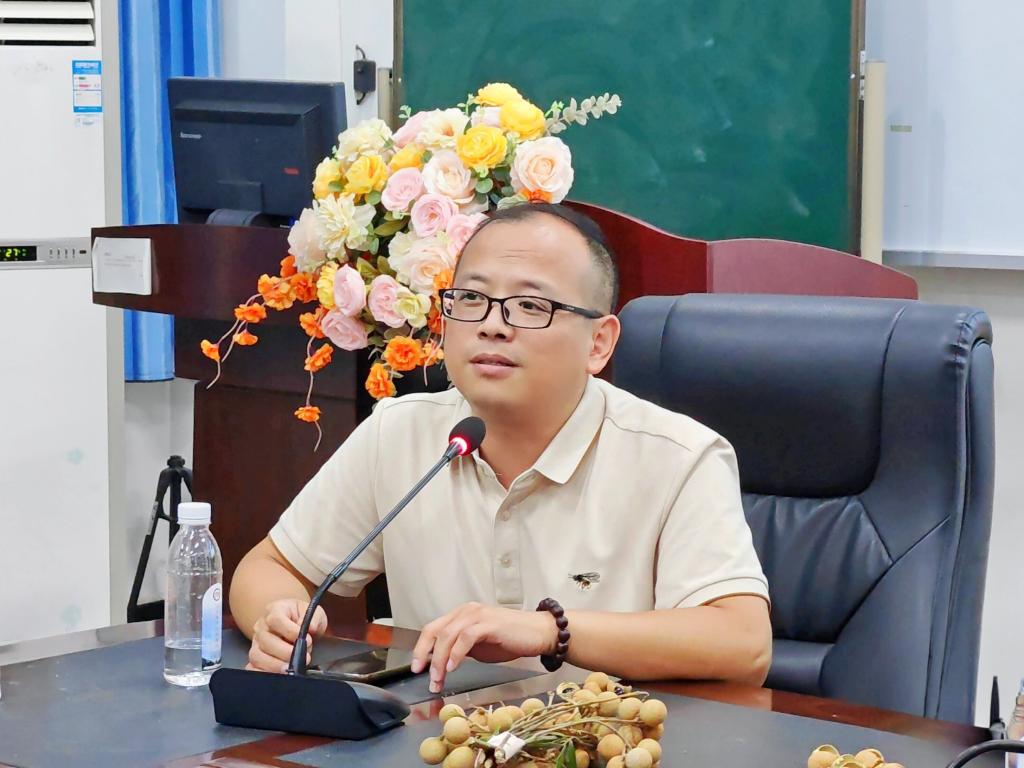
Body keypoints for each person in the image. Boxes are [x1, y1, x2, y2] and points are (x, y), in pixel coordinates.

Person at [229, 202, 772, 693]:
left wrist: (548, 631)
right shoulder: (401, 432)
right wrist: (277, 619)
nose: (492, 325)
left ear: (599, 342)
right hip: (435, 741)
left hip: (606, 741)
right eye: (471, 299)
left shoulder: (679, 456)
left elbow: (743, 644)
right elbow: (269, 566)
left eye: (531, 306)